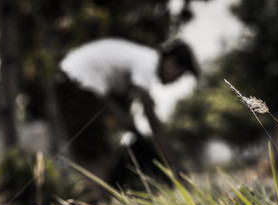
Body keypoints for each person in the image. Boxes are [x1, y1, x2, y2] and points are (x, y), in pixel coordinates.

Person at [56, 37, 199, 186]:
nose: (175, 80)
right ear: (171, 62)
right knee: (93, 149)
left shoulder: (142, 60)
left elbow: (113, 104)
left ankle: (99, 198)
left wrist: (126, 121)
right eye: (179, 74)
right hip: (77, 79)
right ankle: (97, 200)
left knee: (98, 148)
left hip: (77, 80)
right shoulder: (148, 61)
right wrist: (174, 167)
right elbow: (153, 122)